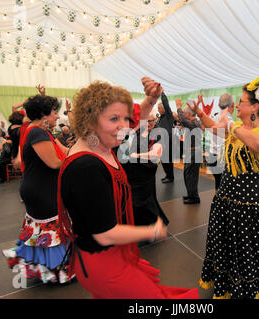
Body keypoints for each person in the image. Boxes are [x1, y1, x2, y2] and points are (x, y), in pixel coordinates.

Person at [57, 78, 199, 299]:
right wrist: (151, 230)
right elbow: (105, 234)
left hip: (114, 256)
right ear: (90, 120)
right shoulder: (86, 167)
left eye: (124, 118)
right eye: (114, 119)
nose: (124, 125)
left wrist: (152, 98)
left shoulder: (99, 141)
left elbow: (136, 116)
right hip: (102, 263)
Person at [199, 74, 259, 299]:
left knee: (248, 252)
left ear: (255, 107)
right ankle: (231, 286)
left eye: (242, 102)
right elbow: (214, 128)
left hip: (249, 205)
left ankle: (250, 290)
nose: (237, 105)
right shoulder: (237, 127)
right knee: (229, 249)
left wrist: (231, 124)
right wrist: (200, 114)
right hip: (227, 199)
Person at [2, 94, 73, 284]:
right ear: (43, 115)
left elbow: (65, 151)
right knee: (51, 228)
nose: (57, 117)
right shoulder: (37, 133)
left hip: (40, 187)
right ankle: (55, 271)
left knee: (44, 230)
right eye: (54, 113)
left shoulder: (43, 131)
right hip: (40, 190)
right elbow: (55, 163)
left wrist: (84, 149)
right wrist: (78, 160)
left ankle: (48, 268)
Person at [121, 112, 170, 227]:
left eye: (151, 121)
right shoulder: (137, 132)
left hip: (146, 173)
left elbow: (154, 155)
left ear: (155, 120)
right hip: (133, 172)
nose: (148, 124)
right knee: (137, 199)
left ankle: (154, 224)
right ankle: (144, 224)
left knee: (143, 200)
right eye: (145, 121)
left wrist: (136, 155)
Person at [192, 94, 234, 190]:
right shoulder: (230, 121)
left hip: (212, 155)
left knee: (218, 184)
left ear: (219, 104)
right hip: (222, 157)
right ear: (232, 105)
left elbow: (203, 125)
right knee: (224, 187)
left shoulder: (213, 117)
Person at [176, 99, 203, 204]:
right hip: (191, 153)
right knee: (188, 175)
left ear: (188, 113)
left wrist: (178, 106)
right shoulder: (193, 123)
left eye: (184, 112)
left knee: (191, 176)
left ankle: (194, 197)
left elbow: (182, 120)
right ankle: (191, 195)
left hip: (194, 153)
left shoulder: (194, 123)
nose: (183, 114)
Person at [156, 93, 176, 183]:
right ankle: (167, 175)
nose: (158, 109)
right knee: (164, 160)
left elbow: (166, 104)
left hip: (168, 142)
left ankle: (170, 177)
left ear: (164, 108)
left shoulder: (168, 116)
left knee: (168, 160)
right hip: (161, 142)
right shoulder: (160, 118)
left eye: (159, 108)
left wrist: (162, 94)